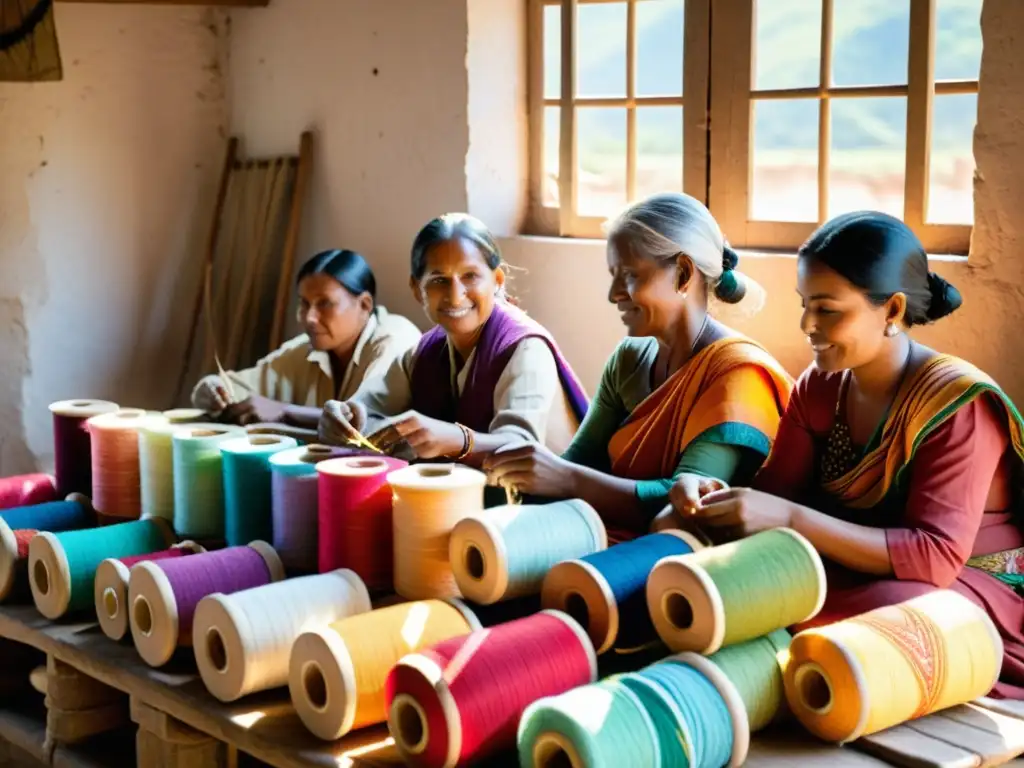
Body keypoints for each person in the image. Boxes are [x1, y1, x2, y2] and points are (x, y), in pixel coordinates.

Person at [672, 210, 1024, 699]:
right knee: (709, 558)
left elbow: (935, 556)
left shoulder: (957, 405)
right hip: (853, 566)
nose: (807, 326)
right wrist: (715, 496)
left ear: (893, 311)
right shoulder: (821, 385)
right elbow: (776, 494)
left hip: (966, 583)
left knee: (875, 614)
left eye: (828, 309)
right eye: (804, 305)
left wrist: (791, 520)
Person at [483, 192, 794, 543]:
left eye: (630, 275)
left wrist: (566, 478)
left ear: (683, 274)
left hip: (687, 561)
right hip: (610, 535)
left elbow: (684, 504)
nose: (614, 293)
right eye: (614, 275)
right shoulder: (630, 358)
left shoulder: (739, 376)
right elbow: (582, 461)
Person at [317, 213, 589, 465]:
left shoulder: (525, 349)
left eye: (470, 276)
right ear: (416, 289)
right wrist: (341, 418)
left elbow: (519, 450)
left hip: (550, 505)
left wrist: (457, 440)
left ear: (496, 280)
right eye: (438, 280)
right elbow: (364, 411)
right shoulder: (423, 354)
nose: (456, 295)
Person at [191, 249, 421, 426]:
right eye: (304, 303)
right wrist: (213, 389)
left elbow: (365, 418)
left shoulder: (394, 338)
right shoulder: (307, 350)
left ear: (364, 304)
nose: (309, 317)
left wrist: (282, 411)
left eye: (324, 303)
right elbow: (237, 386)